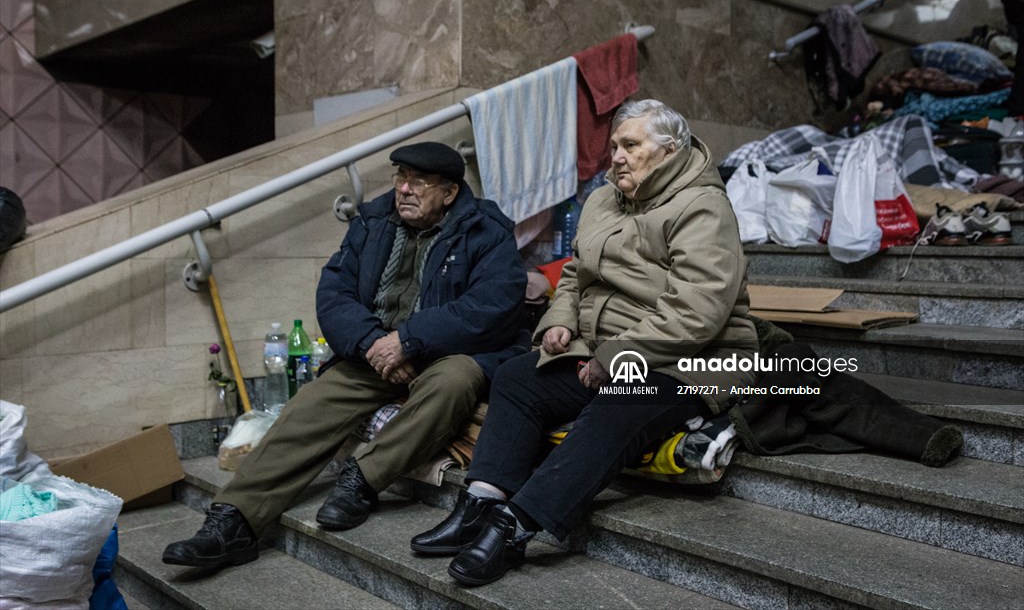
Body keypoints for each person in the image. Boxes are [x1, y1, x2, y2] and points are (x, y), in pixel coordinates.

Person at [409, 99, 760, 586]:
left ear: (669, 151)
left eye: (630, 145)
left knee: (619, 401)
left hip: (693, 359)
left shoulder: (702, 206)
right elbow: (574, 275)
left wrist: (613, 358)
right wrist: (559, 320)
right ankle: (480, 504)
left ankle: (515, 528)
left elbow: (696, 313)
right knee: (516, 377)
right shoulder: (603, 200)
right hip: (603, 348)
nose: (615, 156)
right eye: (613, 145)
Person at [163, 142, 528, 568]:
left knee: (454, 382)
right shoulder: (373, 221)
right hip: (375, 351)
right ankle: (234, 519)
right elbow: (333, 293)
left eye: (419, 182)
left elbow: (492, 305)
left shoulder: (485, 228)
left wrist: (409, 340)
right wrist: (372, 343)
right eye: (400, 178)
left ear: (449, 192)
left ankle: (361, 480)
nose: (405, 190)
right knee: (312, 404)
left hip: (450, 353)